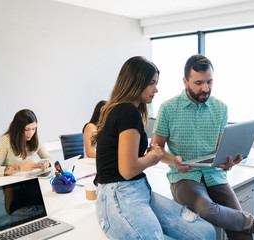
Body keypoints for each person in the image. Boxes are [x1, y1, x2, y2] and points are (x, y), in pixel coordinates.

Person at [153, 54, 254, 240]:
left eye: (209, 82)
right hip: (184, 176)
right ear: (185, 81)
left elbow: (222, 148)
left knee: (242, 234)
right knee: (206, 208)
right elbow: (156, 149)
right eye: (198, 83)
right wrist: (172, 160)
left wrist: (229, 161)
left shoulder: (220, 108)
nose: (205, 88)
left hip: (215, 174)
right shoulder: (168, 108)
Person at [91, 56, 215, 240]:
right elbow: (128, 170)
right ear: (135, 83)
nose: (155, 89)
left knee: (206, 232)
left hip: (139, 188)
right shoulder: (127, 111)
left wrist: (162, 158)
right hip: (117, 194)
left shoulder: (125, 110)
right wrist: (152, 156)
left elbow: (131, 164)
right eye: (151, 83)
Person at [0, 109, 51, 177]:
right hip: (11, 184)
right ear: (18, 129)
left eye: (34, 129)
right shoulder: (5, 140)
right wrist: (20, 168)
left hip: (28, 180)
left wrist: (46, 164)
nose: (31, 133)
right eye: (26, 129)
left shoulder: (35, 139)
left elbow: (49, 159)